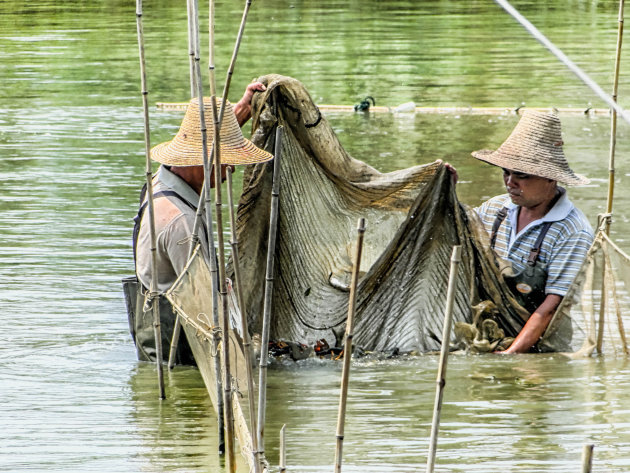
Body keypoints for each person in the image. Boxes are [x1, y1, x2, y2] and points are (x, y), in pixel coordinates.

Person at [129, 83, 273, 362]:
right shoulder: (180, 223)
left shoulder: (163, 179)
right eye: (225, 161)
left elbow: (205, 142)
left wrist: (242, 110)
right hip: (176, 354)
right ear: (201, 161)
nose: (230, 169)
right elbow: (206, 315)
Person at [463, 110, 593, 353]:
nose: (510, 182)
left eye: (521, 175)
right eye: (506, 172)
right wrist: (444, 193)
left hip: (541, 346)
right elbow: (455, 232)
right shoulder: (494, 209)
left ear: (551, 179)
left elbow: (551, 307)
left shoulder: (573, 231)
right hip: (487, 333)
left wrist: (510, 356)